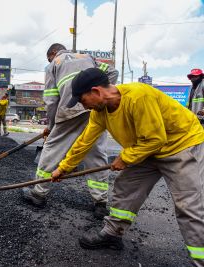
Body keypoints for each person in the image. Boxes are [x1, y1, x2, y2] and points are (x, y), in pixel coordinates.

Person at [51, 68, 204, 267]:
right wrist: (64, 168)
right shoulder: (100, 112)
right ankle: (112, 234)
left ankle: (200, 259)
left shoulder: (138, 96)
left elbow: (156, 139)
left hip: (182, 144)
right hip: (146, 148)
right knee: (125, 188)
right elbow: (84, 141)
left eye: (82, 100)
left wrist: (125, 158)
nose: (83, 105)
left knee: (188, 204)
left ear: (96, 92)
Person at [22, 43, 118, 220]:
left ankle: (38, 193)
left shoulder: (54, 64)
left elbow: (51, 99)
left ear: (52, 53)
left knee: (52, 149)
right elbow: (113, 72)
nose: (49, 60)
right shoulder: (86, 57)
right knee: (96, 154)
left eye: (48, 58)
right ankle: (100, 203)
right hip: (95, 108)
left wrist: (51, 127)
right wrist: (99, 94)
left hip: (70, 110)